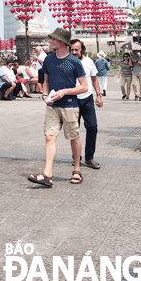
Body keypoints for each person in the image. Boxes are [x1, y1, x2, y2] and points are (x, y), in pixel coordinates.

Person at [28, 28, 87, 188]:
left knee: (73, 137)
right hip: (52, 106)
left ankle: (77, 169)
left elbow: (84, 87)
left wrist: (65, 92)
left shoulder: (75, 62)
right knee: (49, 137)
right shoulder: (48, 60)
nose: (50, 41)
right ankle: (47, 174)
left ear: (61, 42)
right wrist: (45, 96)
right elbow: (45, 81)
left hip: (70, 106)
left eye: (53, 39)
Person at [70, 39, 103, 169]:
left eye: (76, 50)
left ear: (82, 50)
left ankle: (89, 157)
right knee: (74, 130)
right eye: (72, 50)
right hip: (72, 99)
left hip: (87, 98)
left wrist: (99, 95)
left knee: (92, 127)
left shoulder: (89, 62)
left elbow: (94, 80)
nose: (74, 52)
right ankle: (76, 157)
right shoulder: (67, 62)